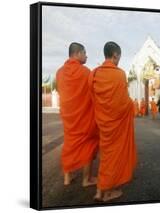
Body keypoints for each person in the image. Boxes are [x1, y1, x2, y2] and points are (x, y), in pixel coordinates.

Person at [88, 41, 137, 202]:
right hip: (116, 124)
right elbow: (122, 103)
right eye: (119, 57)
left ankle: (99, 190)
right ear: (115, 55)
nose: (119, 60)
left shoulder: (94, 74)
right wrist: (132, 105)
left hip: (103, 123)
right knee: (114, 157)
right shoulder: (120, 74)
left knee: (106, 156)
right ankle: (108, 192)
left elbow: (93, 98)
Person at [56, 42, 99, 187]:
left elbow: (63, 93)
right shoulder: (85, 72)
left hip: (69, 119)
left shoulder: (59, 72)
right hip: (85, 119)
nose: (86, 56)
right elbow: (95, 93)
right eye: (85, 53)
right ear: (78, 53)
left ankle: (67, 178)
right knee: (88, 145)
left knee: (69, 145)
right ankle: (86, 179)